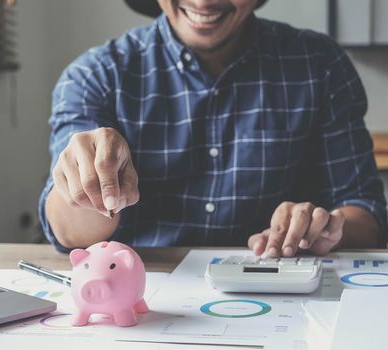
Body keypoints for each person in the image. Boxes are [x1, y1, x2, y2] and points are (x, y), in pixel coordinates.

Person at [38, 0, 387, 257]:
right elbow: (68, 232)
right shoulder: (94, 75)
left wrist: (327, 226)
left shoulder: (320, 64)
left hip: (283, 289)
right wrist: (91, 185)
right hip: (138, 296)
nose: (204, 2)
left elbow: (365, 212)